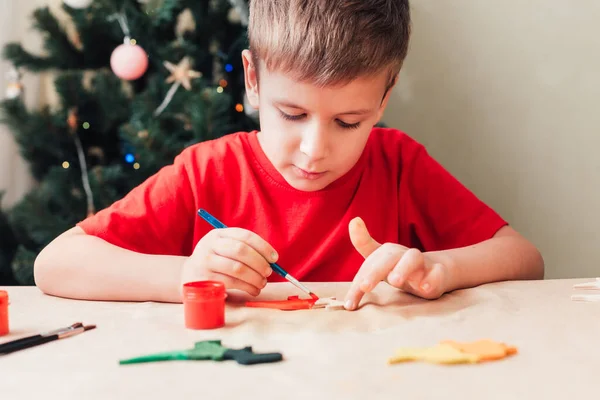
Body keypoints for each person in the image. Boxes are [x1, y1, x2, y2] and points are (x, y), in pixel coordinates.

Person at [33, 0, 544, 311]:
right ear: (252, 79)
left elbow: (525, 259)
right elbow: (55, 264)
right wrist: (188, 276)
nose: (314, 150)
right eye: (292, 114)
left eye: (349, 122)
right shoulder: (207, 171)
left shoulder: (399, 164)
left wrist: (437, 269)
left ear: (384, 100)